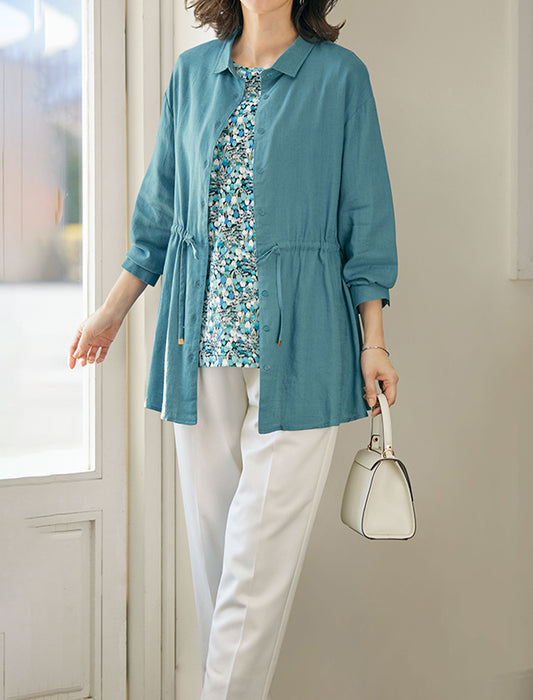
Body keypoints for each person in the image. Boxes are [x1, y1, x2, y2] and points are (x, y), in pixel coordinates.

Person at [68, 0, 399, 697]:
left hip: (304, 349)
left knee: (254, 570)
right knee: (218, 563)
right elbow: (158, 214)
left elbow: (365, 215)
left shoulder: (339, 77)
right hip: (200, 343)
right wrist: (110, 313)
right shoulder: (192, 74)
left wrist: (374, 341)